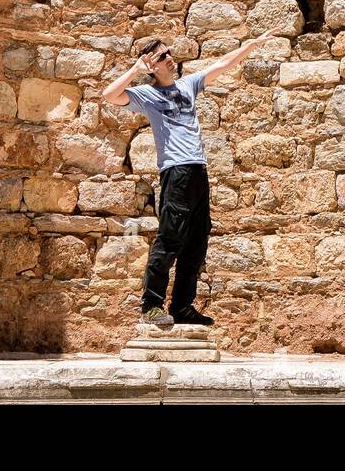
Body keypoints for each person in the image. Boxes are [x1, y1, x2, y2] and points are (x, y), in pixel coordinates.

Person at [101, 29, 279, 327]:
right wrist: (135, 69)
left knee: (197, 241)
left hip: (198, 170)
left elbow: (223, 64)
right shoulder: (147, 95)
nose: (171, 58)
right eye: (162, 56)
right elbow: (109, 95)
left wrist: (252, 44)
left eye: (169, 53)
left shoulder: (188, 85)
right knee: (170, 238)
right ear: (151, 65)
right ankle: (151, 306)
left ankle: (182, 306)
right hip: (175, 171)